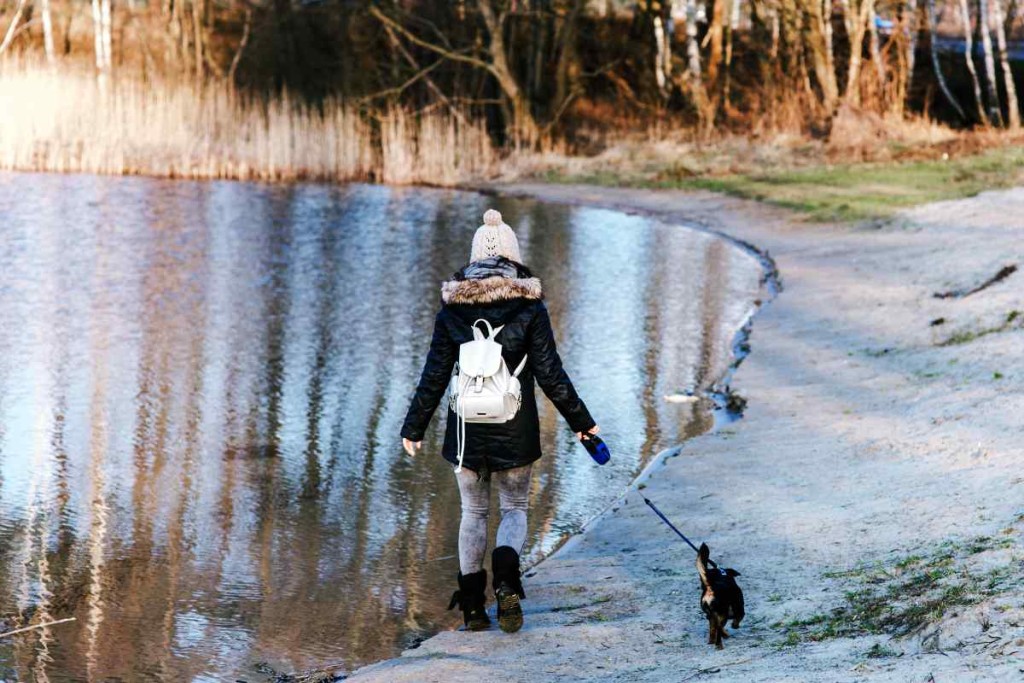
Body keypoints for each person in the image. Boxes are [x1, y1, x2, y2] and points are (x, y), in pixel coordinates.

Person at [401, 209, 599, 634]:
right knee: (513, 507)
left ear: (474, 261)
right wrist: (582, 423)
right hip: (515, 427)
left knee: (472, 512)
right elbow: (551, 374)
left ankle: (473, 609)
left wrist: (413, 427)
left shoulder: (451, 311)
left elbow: (434, 374)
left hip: (464, 431)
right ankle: (506, 575)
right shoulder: (530, 308)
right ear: (513, 258)